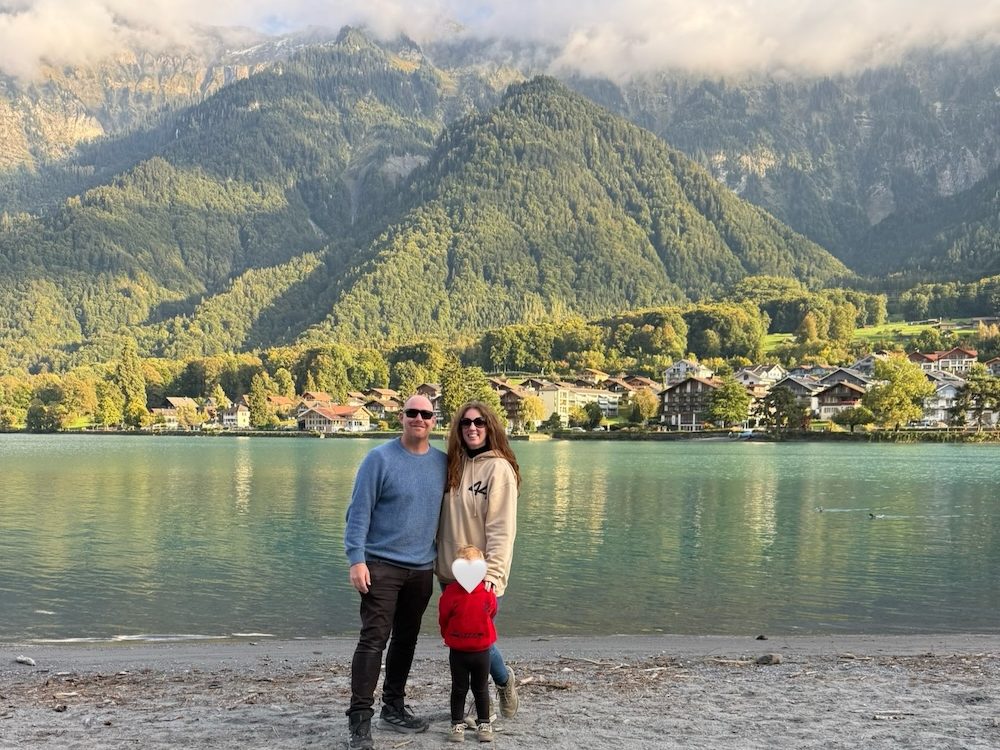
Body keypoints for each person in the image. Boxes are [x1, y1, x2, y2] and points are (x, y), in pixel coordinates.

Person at [343, 395, 447, 750]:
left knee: (406, 639)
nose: (419, 418)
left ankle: (394, 706)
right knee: (374, 639)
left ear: (434, 421)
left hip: (421, 569)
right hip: (380, 566)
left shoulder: (443, 464)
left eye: (426, 414)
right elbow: (358, 513)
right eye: (412, 413)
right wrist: (356, 559)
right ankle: (359, 720)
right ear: (401, 417)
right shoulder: (379, 459)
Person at [436, 400, 521, 722]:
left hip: (481, 572)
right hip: (447, 570)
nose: (472, 427)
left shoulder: (498, 469)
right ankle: (493, 686)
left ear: (490, 427)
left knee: (477, 641)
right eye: (466, 423)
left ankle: (500, 683)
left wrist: (494, 575)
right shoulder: (451, 466)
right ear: (458, 429)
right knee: (461, 640)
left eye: (480, 422)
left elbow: (502, 528)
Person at [439, 544, 498, 743]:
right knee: (469, 688)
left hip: (471, 651)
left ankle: (472, 724)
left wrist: (447, 633)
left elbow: (444, 617)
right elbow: (491, 612)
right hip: (470, 650)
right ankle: (469, 725)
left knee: (470, 688)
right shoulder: (458, 592)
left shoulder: (482, 591)